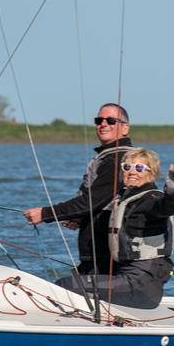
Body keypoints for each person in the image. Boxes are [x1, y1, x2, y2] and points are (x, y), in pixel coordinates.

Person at [55, 148, 174, 309]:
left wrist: (171, 189)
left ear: (152, 173)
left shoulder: (151, 198)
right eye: (127, 167)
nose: (132, 172)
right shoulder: (124, 199)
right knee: (79, 279)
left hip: (141, 284)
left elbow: (169, 207)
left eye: (139, 168)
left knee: (64, 285)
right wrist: (78, 219)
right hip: (126, 276)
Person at [23, 103, 134, 275]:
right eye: (99, 120)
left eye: (111, 120)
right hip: (97, 254)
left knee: (69, 287)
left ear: (125, 128)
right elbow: (102, 199)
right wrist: (79, 218)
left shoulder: (118, 160)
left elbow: (91, 201)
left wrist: (45, 214)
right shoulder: (106, 157)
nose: (103, 124)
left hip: (110, 256)